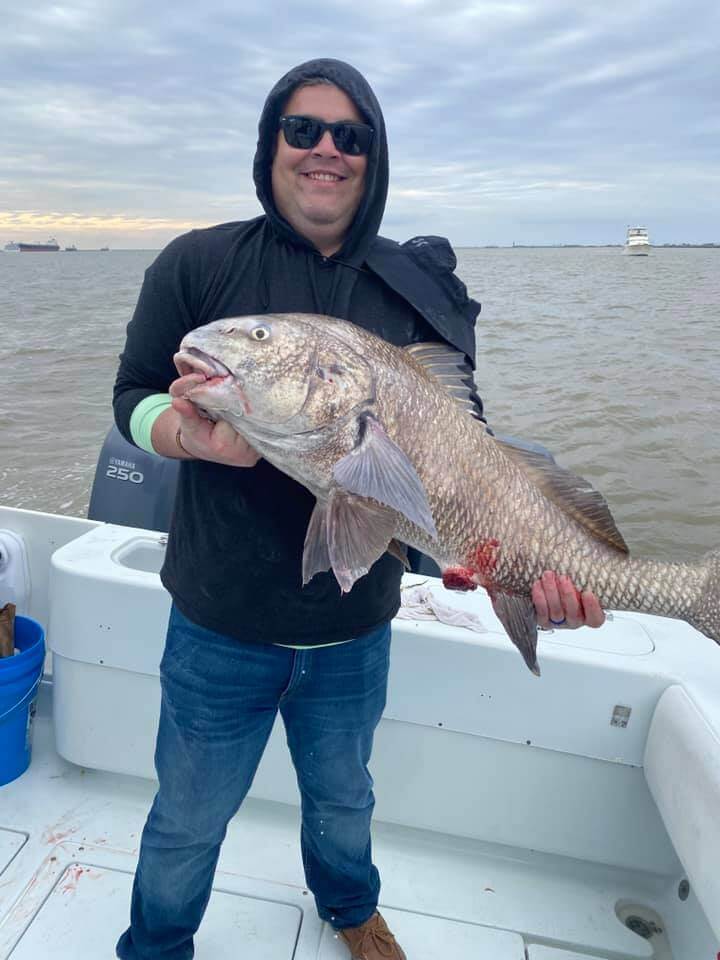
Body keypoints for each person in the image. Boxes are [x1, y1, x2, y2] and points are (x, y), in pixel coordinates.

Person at [113, 58, 604, 960]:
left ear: (374, 159)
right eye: (302, 129)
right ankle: (155, 944)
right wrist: (187, 439)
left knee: (345, 799)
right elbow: (134, 397)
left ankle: (349, 908)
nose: (326, 150)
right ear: (270, 146)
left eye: (352, 135)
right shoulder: (198, 263)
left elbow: (469, 441)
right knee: (186, 815)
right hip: (216, 624)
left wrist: (496, 559)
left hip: (354, 631)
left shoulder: (417, 287)